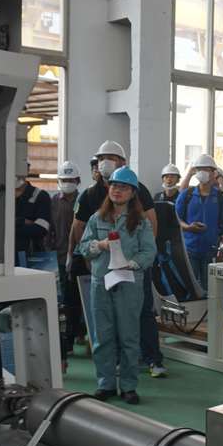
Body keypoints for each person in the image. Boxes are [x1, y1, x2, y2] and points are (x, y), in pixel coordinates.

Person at [68, 140, 162, 374]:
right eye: (101, 158)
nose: (105, 162)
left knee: (142, 313)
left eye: (110, 157)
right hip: (104, 273)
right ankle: (112, 369)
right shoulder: (90, 196)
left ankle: (152, 359)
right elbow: (78, 228)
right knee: (105, 323)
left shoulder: (138, 190)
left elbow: (151, 226)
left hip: (133, 271)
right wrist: (89, 255)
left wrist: (139, 261)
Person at [75, 166, 156, 404]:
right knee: (102, 337)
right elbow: (83, 247)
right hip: (101, 283)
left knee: (129, 337)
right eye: (113, 186)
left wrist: (134, 264)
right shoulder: (96, 218)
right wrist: (98, 245)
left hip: (129, 283)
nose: (117, 190)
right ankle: (106, 384)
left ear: (132, 193)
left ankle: (129, 386)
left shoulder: (140, 222)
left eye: (123, 187)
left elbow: (149, 251)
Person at [175, 153, 223, 289]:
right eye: (199, 169)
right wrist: (188, 227)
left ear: (213, 173)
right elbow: (176, 219)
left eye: (206, 169)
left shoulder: (221, 197)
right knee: (192, 288)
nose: (202, 172)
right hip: (189, 250)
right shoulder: (187, 195)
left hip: (212, 251)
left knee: (211, 289)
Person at [50, 161, 83, 361]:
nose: (67, 183)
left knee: (80, 297)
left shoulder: (84, 200)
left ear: (78, 180)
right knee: (67, 300)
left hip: (81, 257)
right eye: (64, 179)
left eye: (71, 179)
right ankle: (68, 340)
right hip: (60, 257)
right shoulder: (54, 201)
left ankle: (81, 332)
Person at [15, 162, 52, 260]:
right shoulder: (0, 195)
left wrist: (12, 226)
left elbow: (41, 229)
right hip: (2, 257)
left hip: (31, 257)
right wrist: (22, 221)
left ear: (27, 170)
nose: (15, 174)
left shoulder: (41, 196)